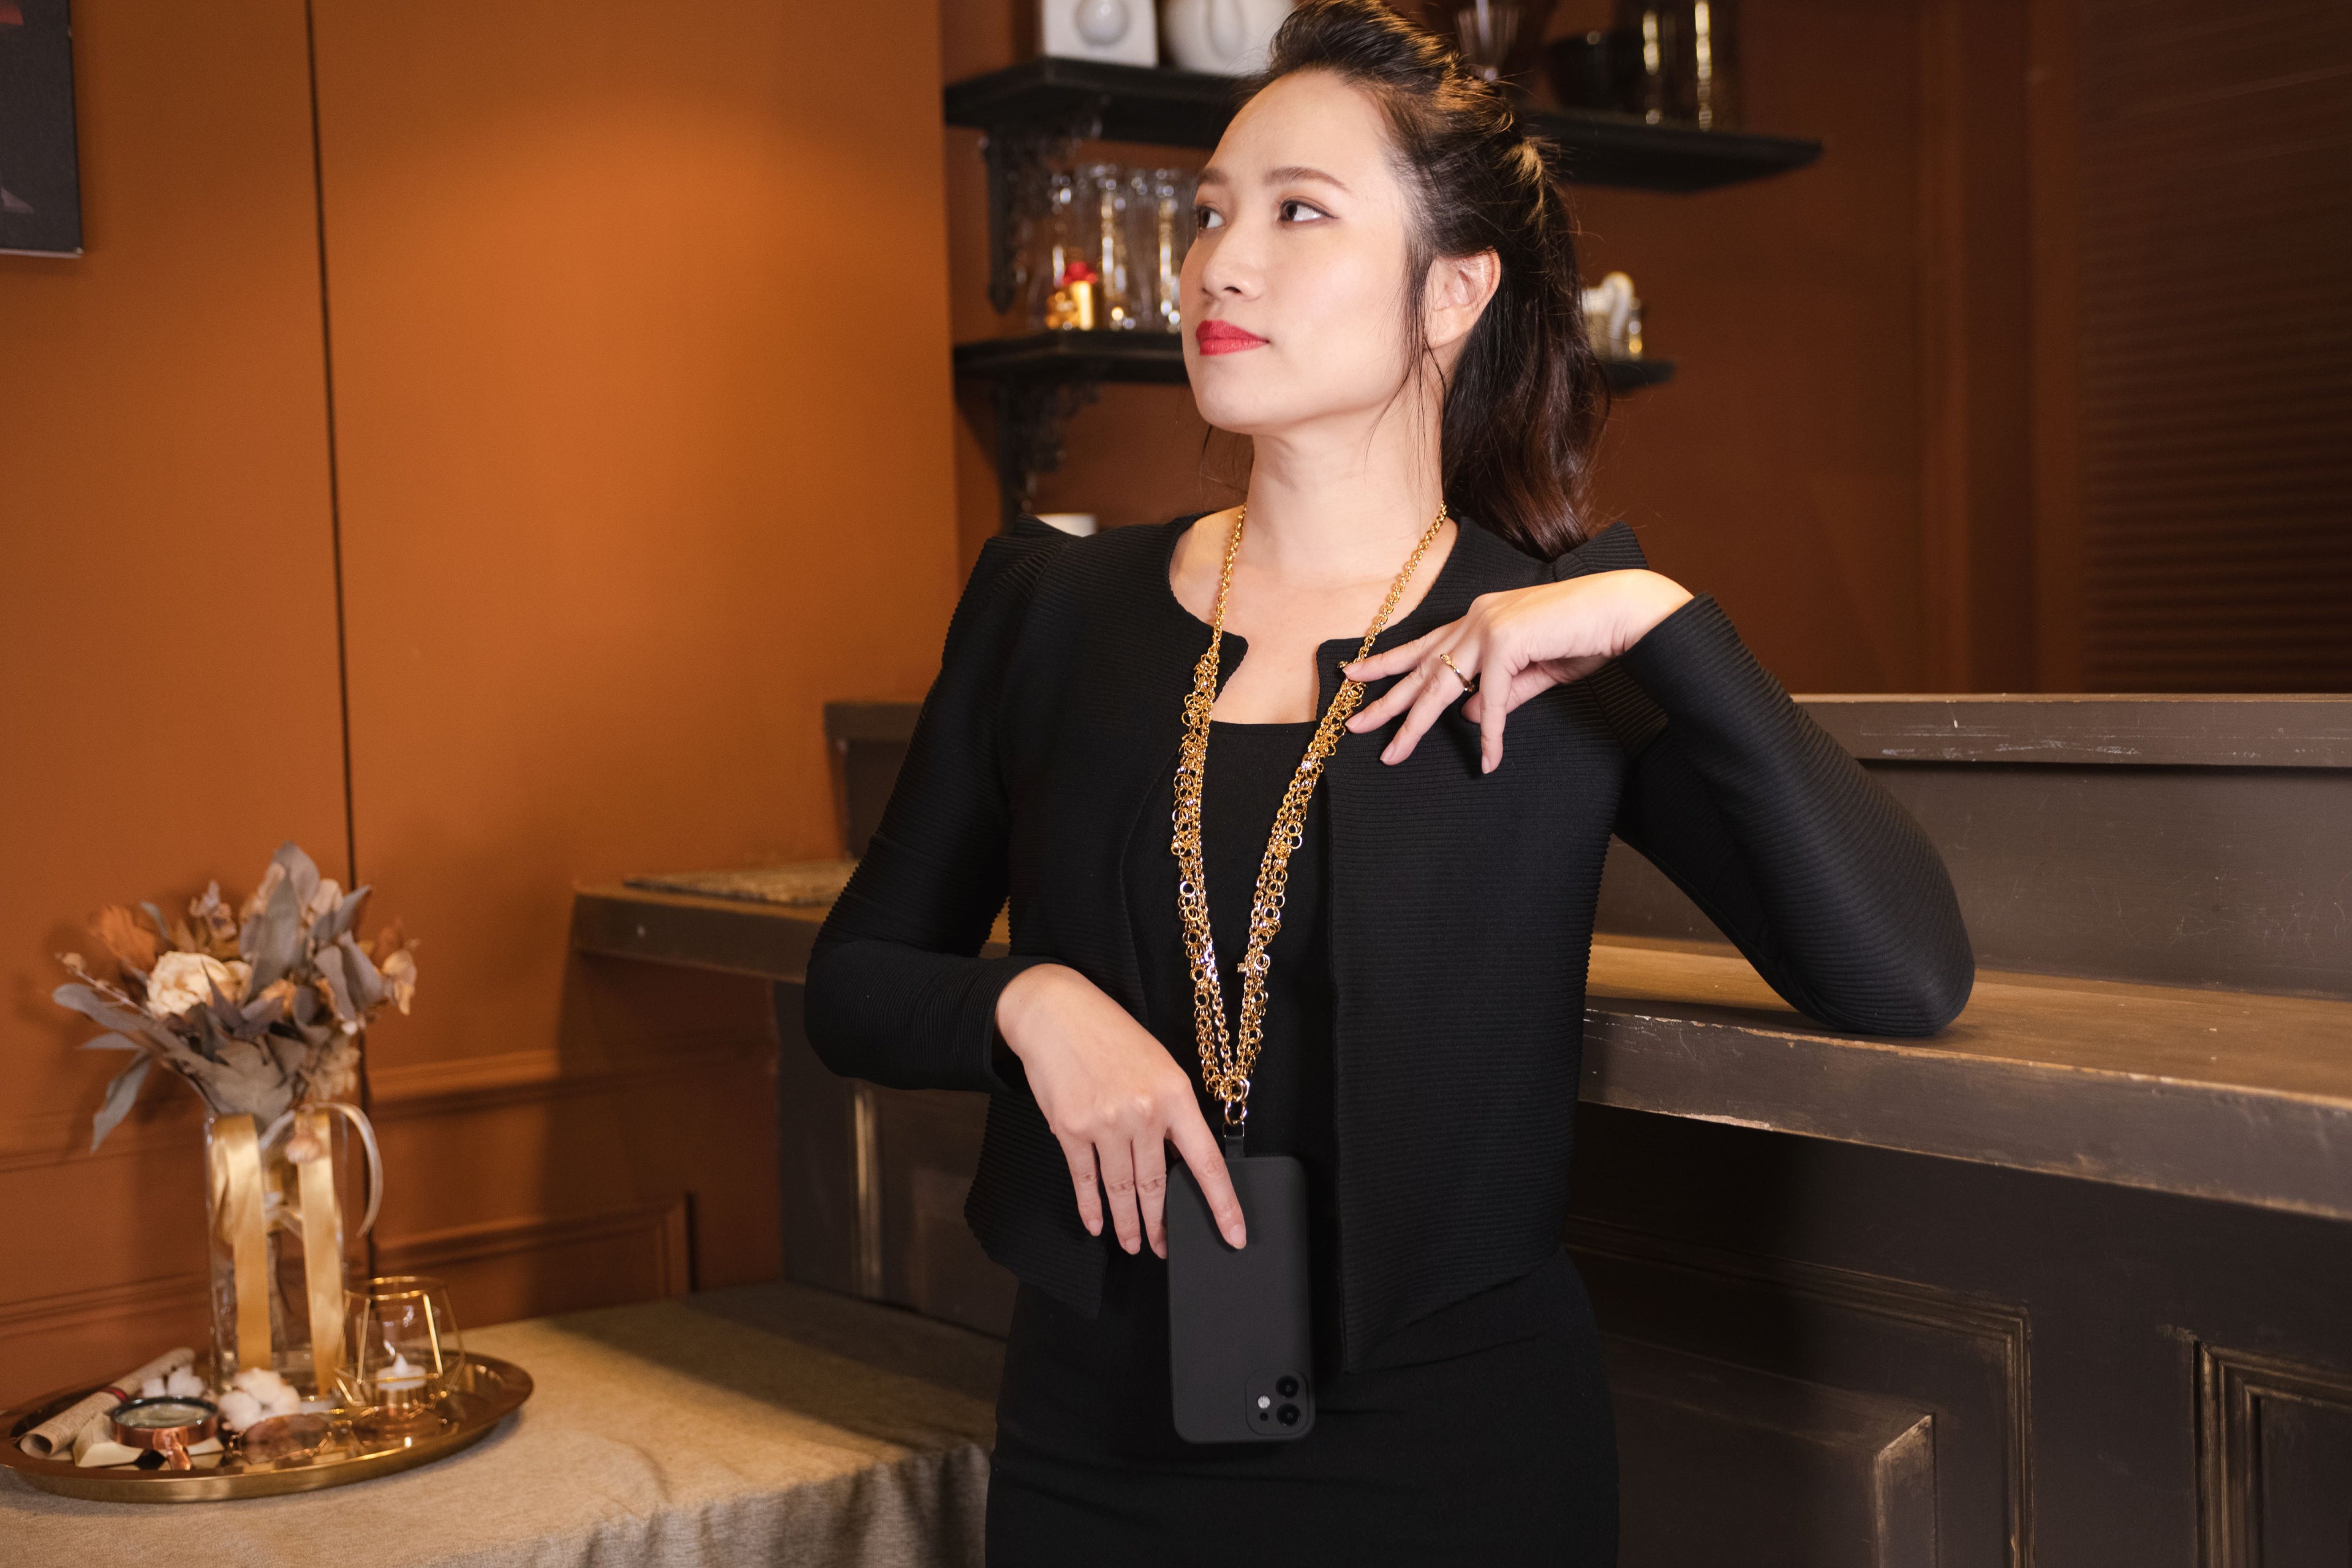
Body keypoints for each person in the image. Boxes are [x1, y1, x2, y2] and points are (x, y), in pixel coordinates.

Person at [803, 2, 1975, 1561]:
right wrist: (1032, 1001)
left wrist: (1661, 620)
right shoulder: (1049, 608)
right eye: (1210, 212)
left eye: (1299, 212)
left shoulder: (1556, 644)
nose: (1218, 263)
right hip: (1094, 1438)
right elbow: (858, 981)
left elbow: (1901, 971)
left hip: (1457, 1450)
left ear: (1454, 289)